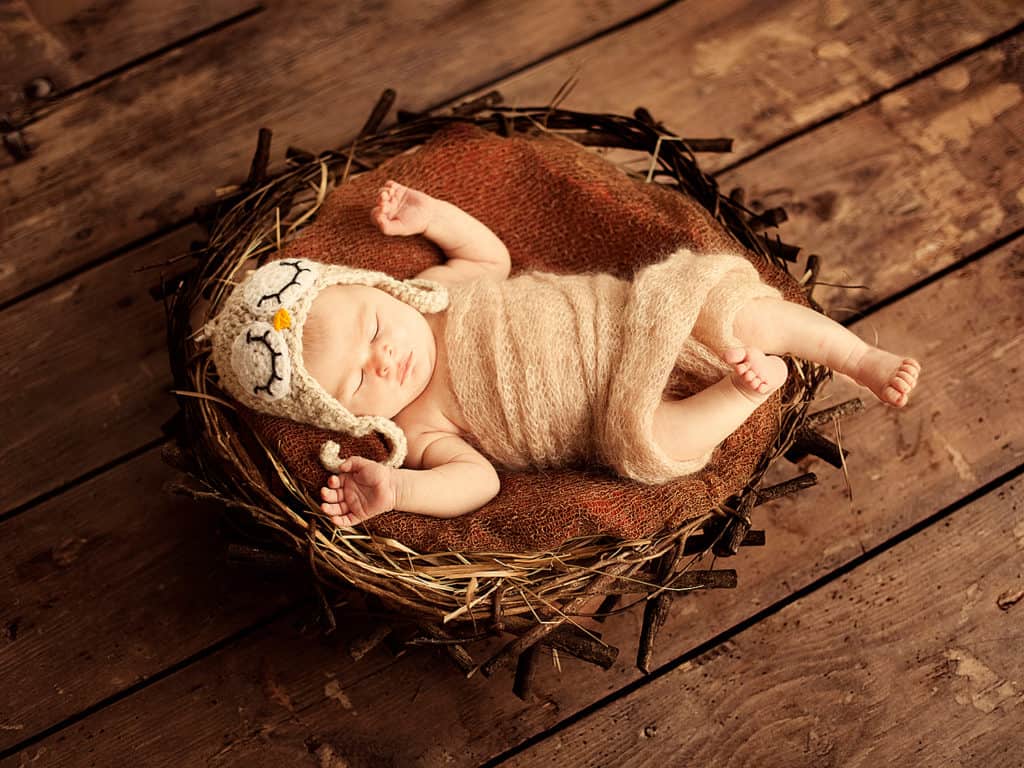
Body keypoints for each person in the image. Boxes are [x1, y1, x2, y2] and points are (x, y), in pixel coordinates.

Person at [208, 181, 919, 528]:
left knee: (740, 308)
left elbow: (487, 252)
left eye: (372, 328)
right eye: (359, 381)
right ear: (340, 415)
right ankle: (738, 395)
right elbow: (476, 487)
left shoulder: (435, 293)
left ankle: (859, 357)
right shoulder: (420, 428)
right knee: (656, 444)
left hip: (637, 315)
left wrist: (432, 217)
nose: (385, 358)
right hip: (620, 408)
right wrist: (398, 492)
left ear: (377, 288)